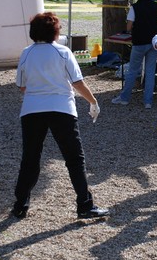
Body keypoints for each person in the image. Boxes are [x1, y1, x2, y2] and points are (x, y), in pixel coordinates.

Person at [12, 12, 108, 220]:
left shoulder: (26, 53)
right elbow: (77, 83)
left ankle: (20, 204)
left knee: (30, 158)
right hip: (61, 108)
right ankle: (84, 204)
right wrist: (93, 101)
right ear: (55, 32)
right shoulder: (63, 52)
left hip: (32, 110)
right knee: (74, 158)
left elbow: (21, 85)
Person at [112, 0, 157, 109]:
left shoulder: (134, 7)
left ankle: (124, 98)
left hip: (139, 43)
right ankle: (148, 101)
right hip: (153, 43)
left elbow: (129, 27)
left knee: (133, 71)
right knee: (150, 72)